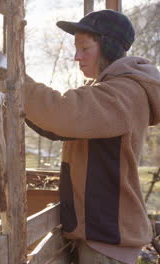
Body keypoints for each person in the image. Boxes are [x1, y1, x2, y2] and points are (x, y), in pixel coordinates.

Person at [22, 9, 160, 264]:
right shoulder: (109, 90)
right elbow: (56, 128)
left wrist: (13, 80)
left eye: (84, 48)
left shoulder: (124, 93)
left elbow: (63, 114)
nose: (77, 56)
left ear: (108, 47)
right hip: (99, 233)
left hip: (106, 240)